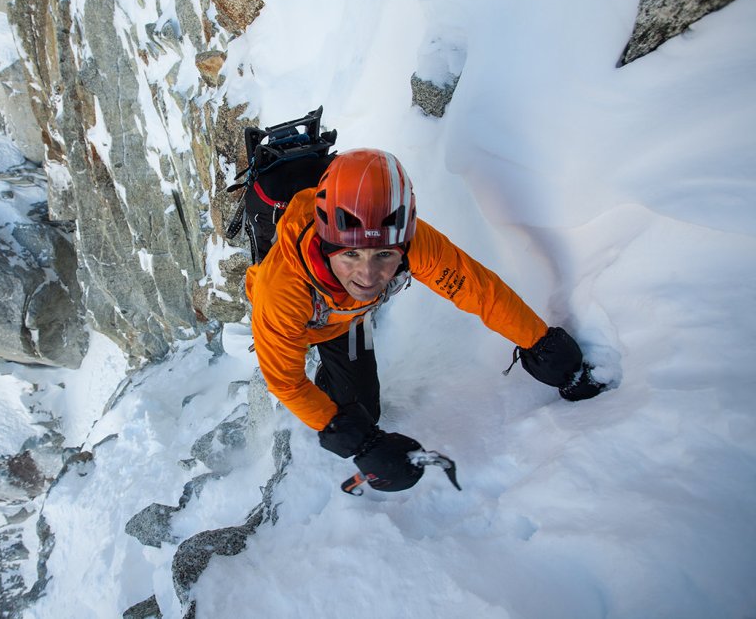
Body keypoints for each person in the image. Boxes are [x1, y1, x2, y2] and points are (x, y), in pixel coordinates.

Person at [245, 148, 605, 492]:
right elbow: (287, 383)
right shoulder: (282, 292)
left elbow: (478, 291)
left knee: (362, 405)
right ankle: (331, 380)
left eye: (384, 255)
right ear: (325, 242)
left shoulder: (413, 242)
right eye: (351, 254)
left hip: (349, 320)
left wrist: (542, 344)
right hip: (311, 321)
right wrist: (360, 443)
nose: (367, 276)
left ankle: (337, 377)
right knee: (357, 415)